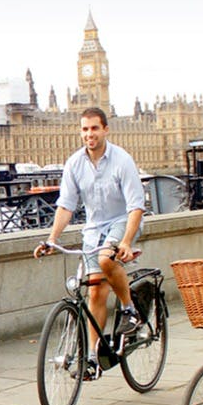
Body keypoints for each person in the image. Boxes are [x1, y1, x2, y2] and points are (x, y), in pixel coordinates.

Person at [34, 107, 145, 381]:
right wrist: (51, 239)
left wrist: (127, 242)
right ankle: (93, 358)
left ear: (106, 129)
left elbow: (136, 207)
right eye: (84, 129)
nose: (89, 134)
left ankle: (130, 309)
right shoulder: (74, 164)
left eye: (94, 128)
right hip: (94, 231)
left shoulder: (122, 160)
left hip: (122, 222)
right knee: (95, 294)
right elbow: (65, 206)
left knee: (108, 259)